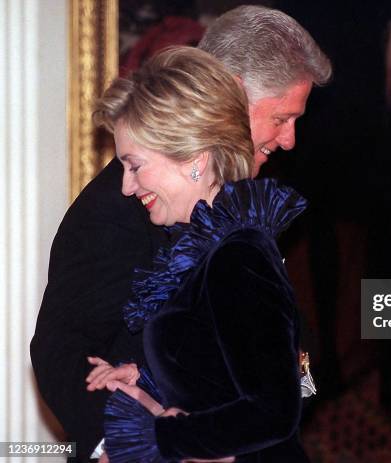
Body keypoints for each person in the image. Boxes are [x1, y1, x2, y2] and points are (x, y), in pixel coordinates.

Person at [30, 6, 330, 461]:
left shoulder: (239, 216)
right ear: (229, 93)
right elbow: (61, 349)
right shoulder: (117, 210)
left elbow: (263, 375)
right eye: (281, 118)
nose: (289, 140)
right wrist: (129, 437)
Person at [87, 45, 309, 462]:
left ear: (194, 158)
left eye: (135, 165)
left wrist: (158, 442)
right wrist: (148, 380)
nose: (127, 187)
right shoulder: (206, 248)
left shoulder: (238, 256)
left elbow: (274, 413)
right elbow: (221, 372)